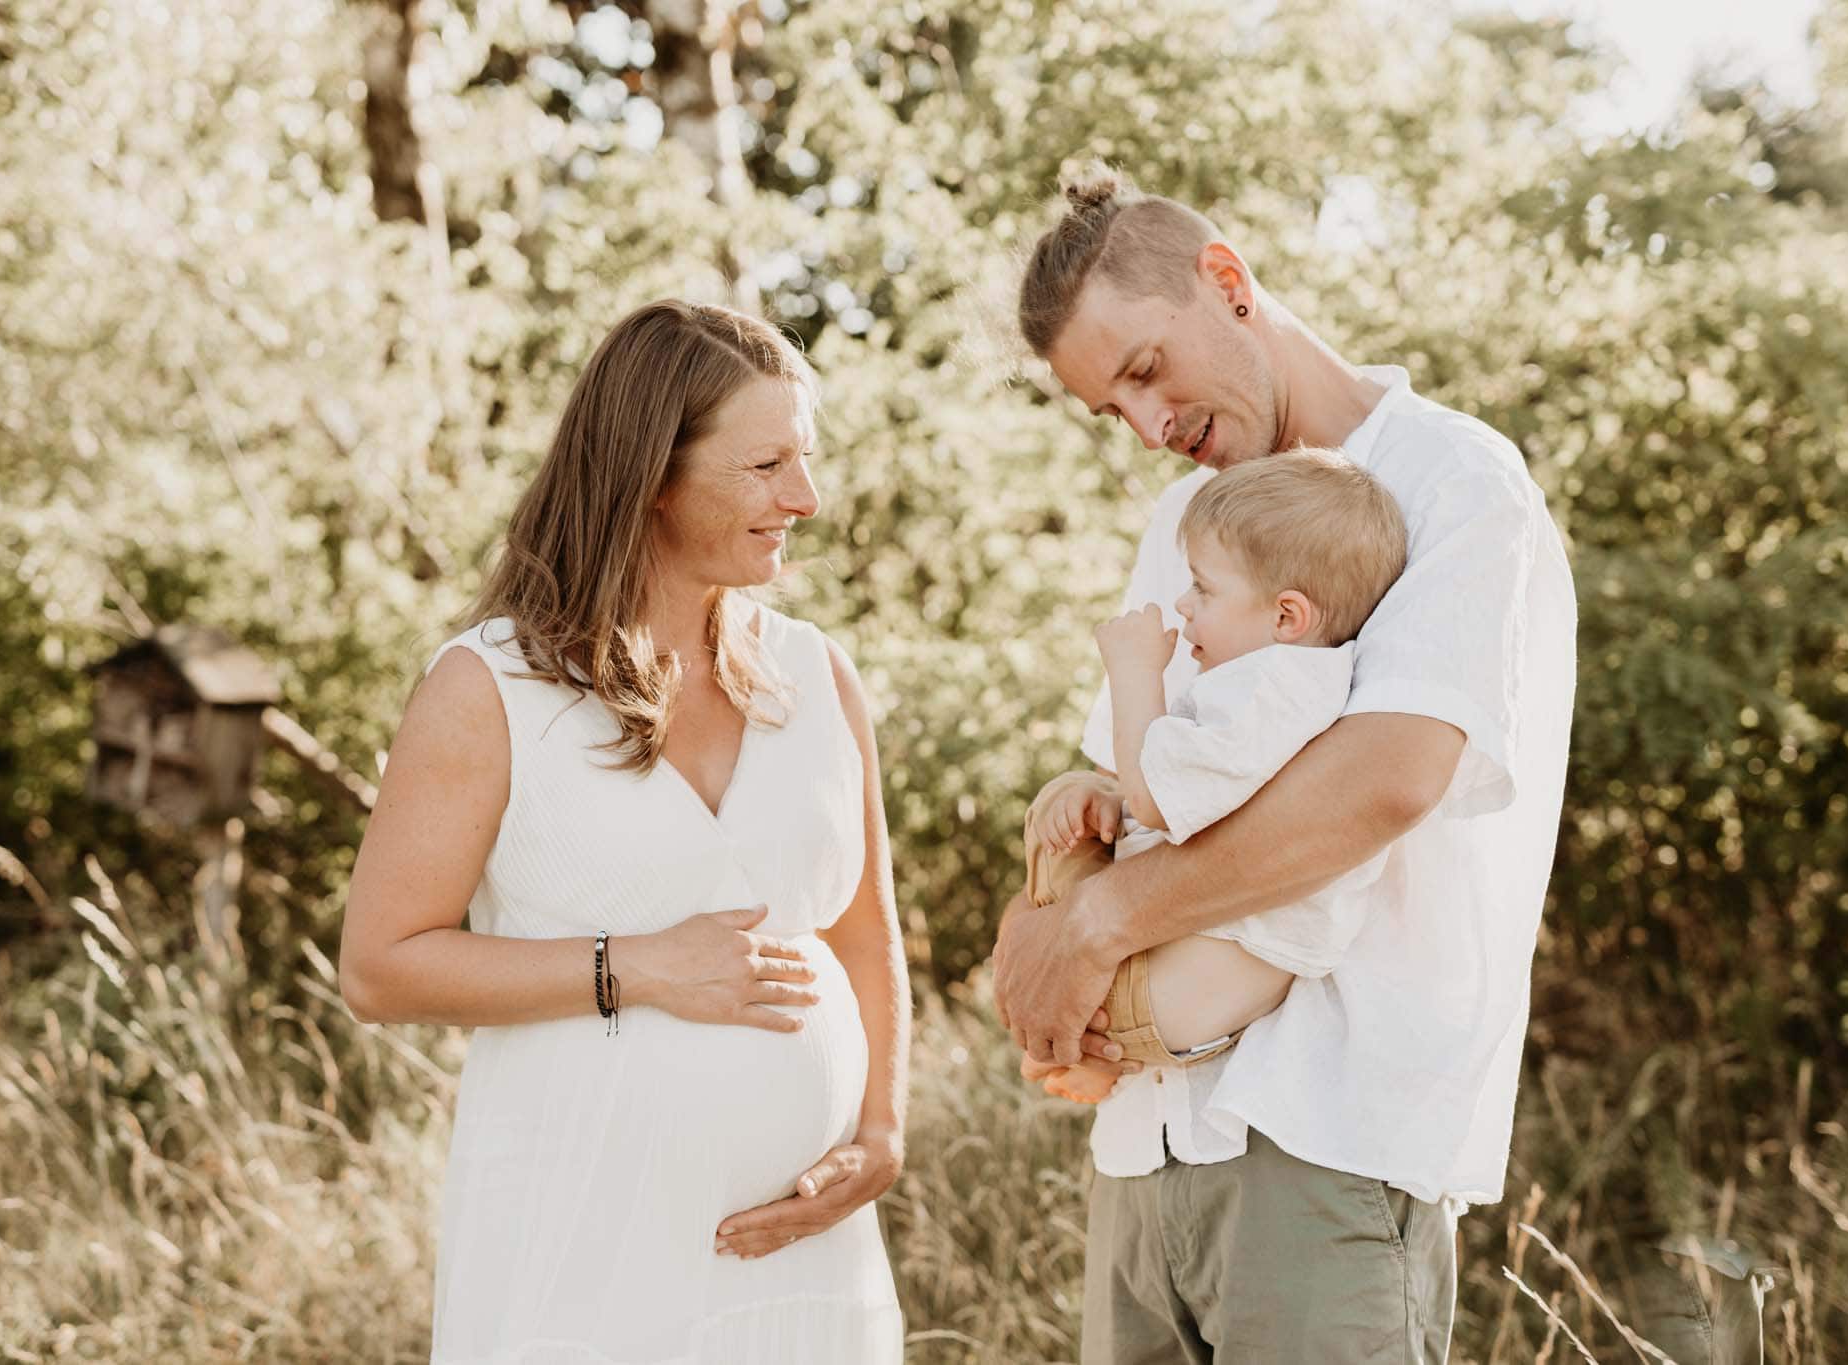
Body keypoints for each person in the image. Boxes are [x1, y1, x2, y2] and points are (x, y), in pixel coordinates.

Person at [991, 166, 1577, 1363]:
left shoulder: (1453, 482)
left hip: (1330, 1140)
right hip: (1145, 1148)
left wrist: (1098, 927)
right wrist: (1039, 935)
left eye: (1146, 371)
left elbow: (1388, 777)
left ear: (1225, 281)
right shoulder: (1181, 525)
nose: (1150, 429)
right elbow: (1129, 789)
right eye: (1114, 411)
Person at [338, 300, 908, 1364]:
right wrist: (630, 968)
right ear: (652, 470)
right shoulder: (489, 687)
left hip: (804, 1264)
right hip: (583, 1249)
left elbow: (866, 934)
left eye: (808, 459)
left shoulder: (818, 674)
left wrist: (879, 1133)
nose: (807, 498)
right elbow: (379, 968)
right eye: (766, 465)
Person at [1018, 450, 1409, 1105]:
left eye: (1203, 587)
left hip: (1200, 970)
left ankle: (1087, 1048)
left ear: (1287, 617)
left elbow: (1155, 798)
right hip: (1211, 967)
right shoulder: (1302, 684)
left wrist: (1135, 672)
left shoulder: (1267, 685)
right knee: (1087, 801)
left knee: (1052, 814)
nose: (1183, 602)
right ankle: (1098, 1059)